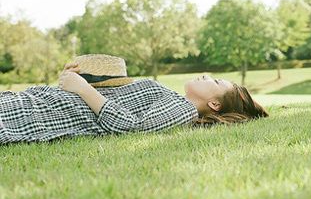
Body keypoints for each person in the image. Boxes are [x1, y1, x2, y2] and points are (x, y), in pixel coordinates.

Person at [0, 54, 268, 144]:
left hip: (41, 115)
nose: (206, 74)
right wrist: (77, 80)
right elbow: (111, 94)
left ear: (215, 104)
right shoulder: (173, 97)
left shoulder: (183, 110)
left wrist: (82, 88)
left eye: (216, 81)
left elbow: (131, 126)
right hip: (39, 103)